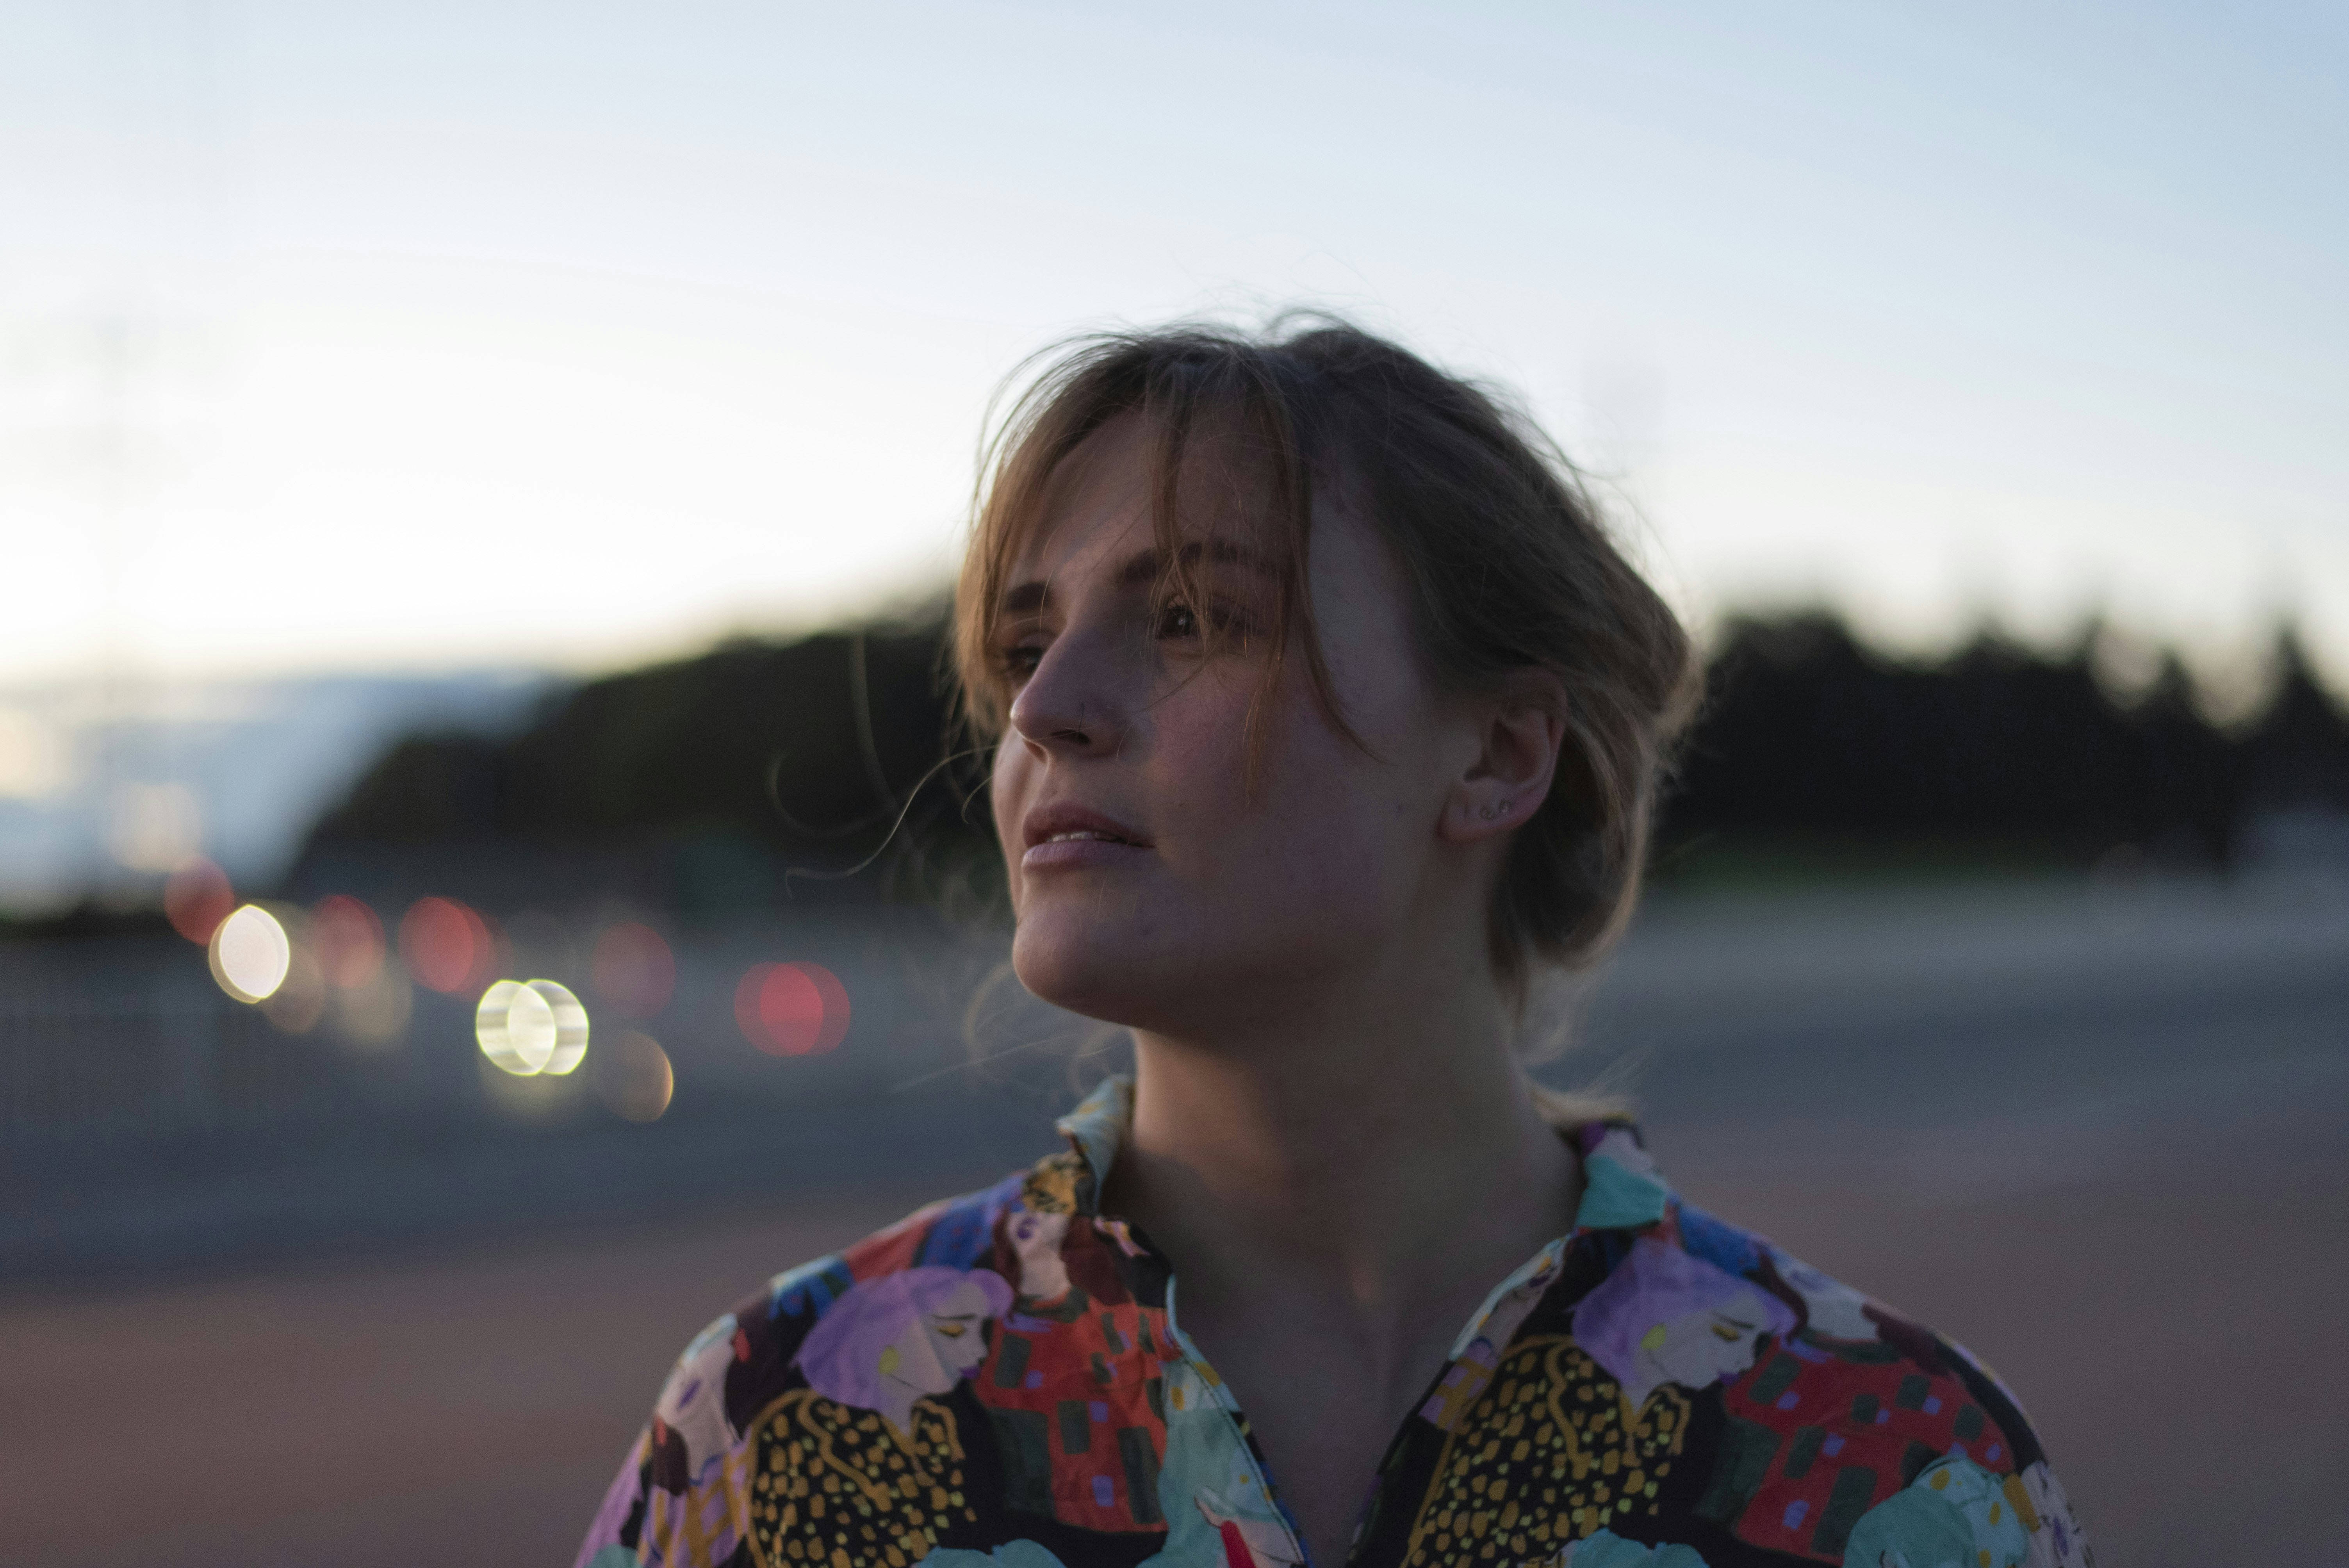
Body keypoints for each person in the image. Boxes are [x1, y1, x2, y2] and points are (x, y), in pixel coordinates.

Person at [576, 321, 2092, 1568]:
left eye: (1187, 617)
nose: (1043, 711)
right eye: (1025, 644)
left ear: (1496, 755)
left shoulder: (1890, 1465)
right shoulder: (773, 1428)